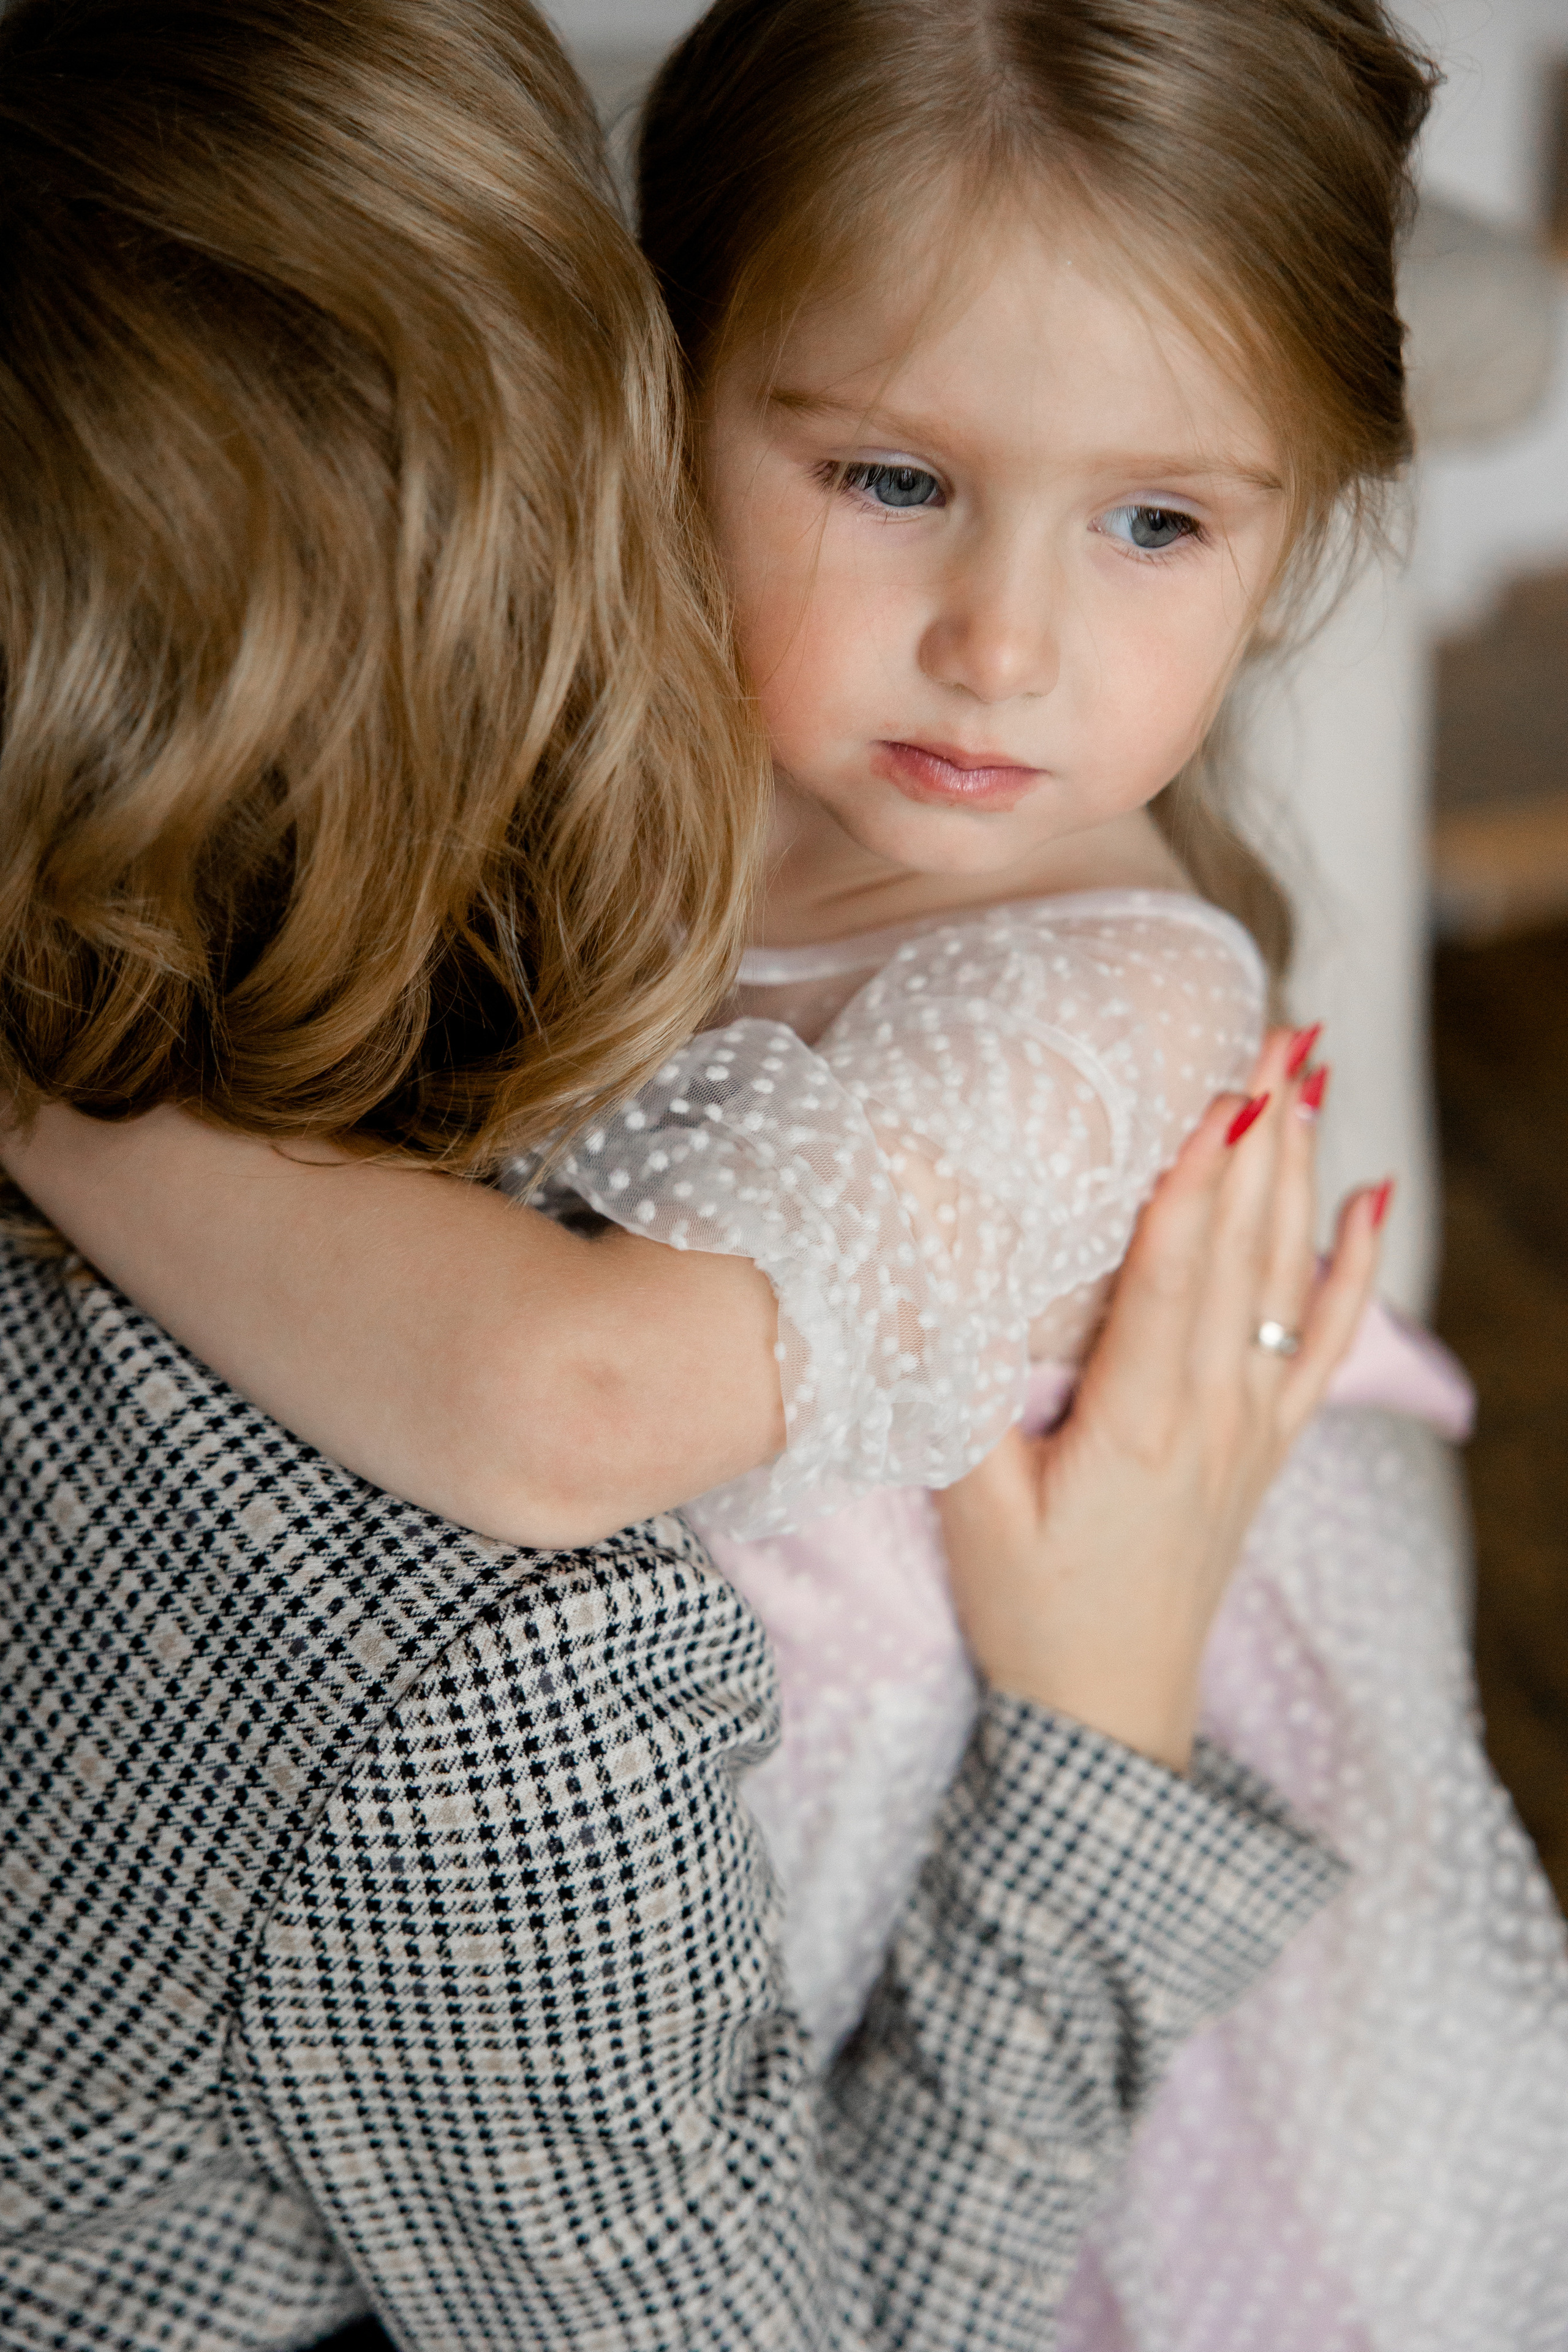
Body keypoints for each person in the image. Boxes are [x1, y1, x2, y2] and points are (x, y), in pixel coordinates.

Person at [0, 5, 1355, 2350]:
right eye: (892, 481)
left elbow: (585, 1409)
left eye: (1159, 521)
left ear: (1300, 531)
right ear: (666, 391)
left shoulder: (1110, 989)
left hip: (820, 1804)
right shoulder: (621, 736)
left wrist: (52, 1096)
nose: (1004, 642)